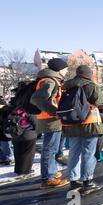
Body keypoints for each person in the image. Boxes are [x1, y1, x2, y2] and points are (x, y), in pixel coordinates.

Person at [62, 65, 103, 195]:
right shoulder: (91, 86)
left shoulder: (66, 86)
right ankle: (87, 182)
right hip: (89, 125)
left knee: (73, 152)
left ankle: (73, 181)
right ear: (88, 74)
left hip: (70, 125)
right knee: (88, 153)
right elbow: (99, 100)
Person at [30, 58, 69, 189]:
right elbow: (37, 99)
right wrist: (55, 112)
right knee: (50, 149)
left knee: (52, 149)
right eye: (65, 68)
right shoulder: (49, 80)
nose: (67, 70)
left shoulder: (52, 80)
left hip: (52, 120)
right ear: (59, 69)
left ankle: (51, 171)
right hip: (50, 121)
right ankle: (48, 178)